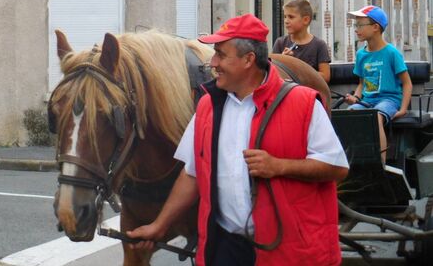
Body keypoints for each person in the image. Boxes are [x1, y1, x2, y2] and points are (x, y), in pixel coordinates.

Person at [127, 14, 349, 266]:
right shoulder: (207, 106)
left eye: (221, 54)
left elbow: (337, 167)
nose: (213, 62)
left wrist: (279, 166)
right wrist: (159, 226)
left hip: (285, 248)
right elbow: (192, 173)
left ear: (248, 59)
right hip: (225, 246)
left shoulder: (302, 103)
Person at [344, 5, 412, 163]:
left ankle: (380, 165)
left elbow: (407, 83)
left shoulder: (391, 53)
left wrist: (402, 109)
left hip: (389, 100)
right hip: (367, 101)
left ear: (375, 27)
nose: (356, 29)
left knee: (375, 117)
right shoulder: (361, 54)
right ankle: (353, 162)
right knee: (350, 113)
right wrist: (356, 97)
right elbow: (362, 83)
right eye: (356, 25)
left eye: (360, 25)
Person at [272, 0, 331, 82]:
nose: (286, 21)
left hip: (310, 93)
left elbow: (325, 77)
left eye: (291, 17)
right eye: (285, 17)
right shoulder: (280, 43)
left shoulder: (319, 45)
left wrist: (297, 67)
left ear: (306, 20)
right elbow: (272, 74)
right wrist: (283, 61)